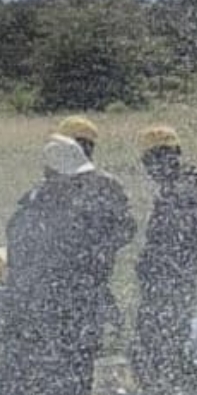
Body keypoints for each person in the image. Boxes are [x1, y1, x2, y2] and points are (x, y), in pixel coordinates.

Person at [6, 134, 132, 395]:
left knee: (68, 380)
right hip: (52, 311)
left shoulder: (59, 206)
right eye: (73, 177)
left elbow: (116, 238)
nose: (78, 183)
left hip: (71, 308)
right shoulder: (36, 211)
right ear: (54, 176)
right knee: (56, 381)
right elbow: (24, 266)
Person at [131, 126, 197, 392]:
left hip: (170, 286)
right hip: (175, 283)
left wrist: (151, 267)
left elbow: (174, 242)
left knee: (155, 350)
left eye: (149, 161)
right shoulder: (182, 187)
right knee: (164, 348)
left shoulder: (179, 192)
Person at [54, 114, 136, 335]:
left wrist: (100, 249)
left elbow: (127, 227)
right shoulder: (54, 184)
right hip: (63, 277)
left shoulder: (105, 185)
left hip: (89, 275)